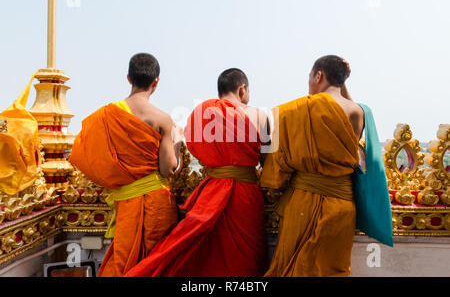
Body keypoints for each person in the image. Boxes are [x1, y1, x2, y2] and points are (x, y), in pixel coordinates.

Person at [125, 68, 270, 277]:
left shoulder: (202, 113)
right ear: (242, 89)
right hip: (245, 196)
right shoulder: (259, 115)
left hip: (211, 193)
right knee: (246, 261)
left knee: (201, 255)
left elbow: (193, 149)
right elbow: (268, 163)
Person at [70, 53, 182, 277]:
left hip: (126, 203)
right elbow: (167, 169)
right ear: (156, 82)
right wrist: (177, 143)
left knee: (124, 262)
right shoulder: (162, 119)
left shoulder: (108, 115)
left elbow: (85, 154)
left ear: (128, 79)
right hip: (156, 202)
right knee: (156, 264)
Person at [261, 55, 364, 277]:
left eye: (310, 76)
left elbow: (278, 165)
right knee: (331, 269)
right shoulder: (357, 112)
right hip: (341, 205)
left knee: (292, 266)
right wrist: (342, 79)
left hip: (302, 203)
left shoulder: (292, 111)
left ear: (318, 75)